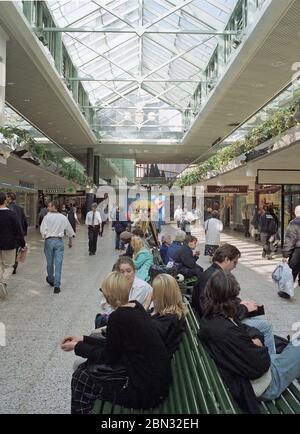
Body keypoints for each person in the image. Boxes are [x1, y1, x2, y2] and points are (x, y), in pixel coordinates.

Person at [61, 271, 171, 414]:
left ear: (109, 295)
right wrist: (83, 339)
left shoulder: (118, 317)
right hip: (152, 382)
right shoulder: (135, 306)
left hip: (144, 392)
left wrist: (77, 347)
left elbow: (109, 357)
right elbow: (115, 346)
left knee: (81, 378)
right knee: (84, 371)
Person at [198, 271, 300, 414]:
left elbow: (246, 329)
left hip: (246, 373)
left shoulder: (211, 318)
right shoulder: (225, 331)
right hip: (265, 386)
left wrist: (256, 341)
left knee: (269, 334)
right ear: (228, 300)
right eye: (235, 298)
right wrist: (258, 346)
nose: (237, 301)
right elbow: (262, 364)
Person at [192, 243, 275, 356]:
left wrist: (240, 303)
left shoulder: (211, 273)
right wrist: (244, 308)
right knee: (266, 326)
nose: (235, 266)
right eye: (235, 262)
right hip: (221, 323)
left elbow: (218, 302)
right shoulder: (217, 276)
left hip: (213, 321)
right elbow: (217, 312)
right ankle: (273, 362)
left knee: (257, 317)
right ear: (226, 260)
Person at [95, 256, 153, 329]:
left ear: (134, 271)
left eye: (129, 271)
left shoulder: (141, 287)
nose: (125, 275)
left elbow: (127, 312)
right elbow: (105, 306)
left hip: (136, 323)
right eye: (122, 272)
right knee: (100, 319)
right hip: (125, 319)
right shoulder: (115, 284)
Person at [148, 274, 187, 356]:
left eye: (154, 291)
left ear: (161, 296)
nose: (152, 294)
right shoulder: (173, 312)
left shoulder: (165, 321)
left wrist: (146, 303)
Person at [40, 201, 75, 294]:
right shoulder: (63, 217)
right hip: (59, 242)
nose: (47, 208)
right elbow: (69, 230)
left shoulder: (46, 217)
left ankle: (51, 279)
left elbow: (42, 230)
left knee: (49, 263)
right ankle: (57, 286)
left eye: (49, 206)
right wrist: (70, 241)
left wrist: (45, 236)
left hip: (49, 241)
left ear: (54, 207)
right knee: (58, 264)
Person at [0, 193, 26, 299]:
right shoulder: (12, 214)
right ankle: (3, 282)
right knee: (9, 265)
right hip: (9, 244)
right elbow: (18, 231)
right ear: (5, 200)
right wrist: (22, 244)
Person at [6, 192, 28, 275]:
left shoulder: (7, 208)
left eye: (6, 197)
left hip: (9, 234)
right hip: (19, 234)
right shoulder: (20, 208)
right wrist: (24, 233)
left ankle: (10, 267)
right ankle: (14, 267)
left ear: (9, 198)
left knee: (10, 251)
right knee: (17, 251)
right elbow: (24, 222)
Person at [282, 205, 300, 283]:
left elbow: (290, 239)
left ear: (296, 212)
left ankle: (286, 291)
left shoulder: (294, 223)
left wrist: (286, 254)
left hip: (297, 250)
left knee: (292, 269)